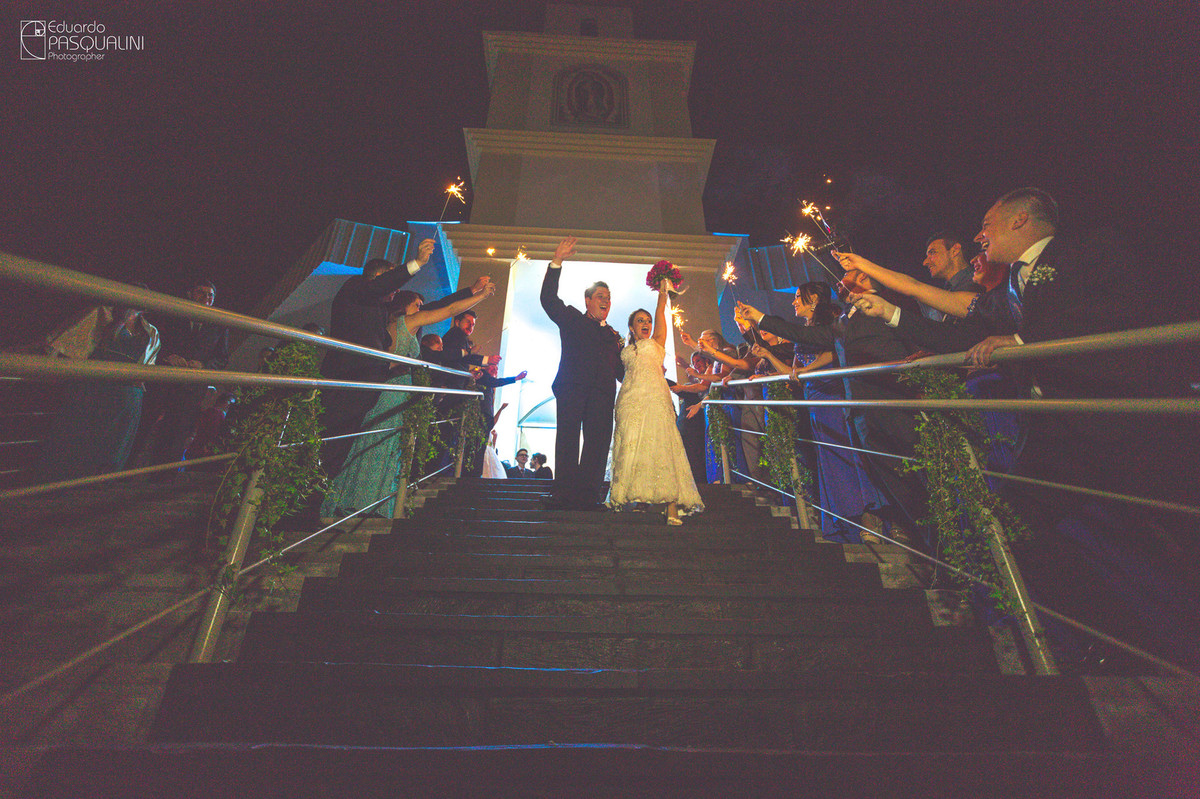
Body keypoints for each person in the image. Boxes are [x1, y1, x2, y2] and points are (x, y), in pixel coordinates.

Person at [321, 282, 495, 518]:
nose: (421, 308)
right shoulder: (407, 323)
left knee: (374, 442)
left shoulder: (390, 324)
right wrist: (482, 295)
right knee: (385, 443)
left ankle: (357, 499)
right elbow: (449, 310)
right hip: (394, 392)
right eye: (417, 305)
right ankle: (370, 502)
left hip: (388, 389)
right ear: (405, 308)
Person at [319, 239, 435, 477]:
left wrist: (471, 293)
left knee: (338, 455)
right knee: (325, 447)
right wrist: (417, 263)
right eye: (390, 282)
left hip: (365, 390)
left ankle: (316, 501)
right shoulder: (356, 287)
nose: (396, 290)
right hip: (345, 383)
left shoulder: (381, 309)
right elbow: (379, 288)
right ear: (378, 278)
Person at [539, 236, 625, 510]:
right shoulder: (572, 318)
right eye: (600, 296)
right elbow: (548, 299)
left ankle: (589, 495)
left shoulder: (614, 336)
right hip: (572, 388)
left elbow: (622, 371)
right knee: (567, 437)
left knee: (598, 442)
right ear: (588, 300)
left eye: (608, 298)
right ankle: (563, 494)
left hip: (602, 393)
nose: (606, 301)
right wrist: (557, 261)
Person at [608, 279, 704, 524]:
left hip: (655, 398)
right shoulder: (625, 350)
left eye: (647, 320)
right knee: (632, 445)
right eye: (640, 321)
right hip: (629, 400)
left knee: (661, 444)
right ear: (631, 326)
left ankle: (671, 506)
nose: (646, 324)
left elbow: (661, 311)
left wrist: (662, 292)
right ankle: (637, 499)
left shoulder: (657, 342)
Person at [37, 300, 160, 482]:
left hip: (125, 390)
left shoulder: (150, 330)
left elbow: (147, 364)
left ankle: (99, 479)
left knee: (113, 440)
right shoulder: (103, 314)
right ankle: (63, 478)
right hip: (94, 385)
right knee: (80, 433)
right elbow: (69, 342)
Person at [137, 279, 229, 475]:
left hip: (192, 387)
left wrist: (204, 366)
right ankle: (127, 471)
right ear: (190, 294)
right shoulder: (173, 314)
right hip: (164, 381)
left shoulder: (220, 324)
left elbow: (222, 357)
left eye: (210, 295)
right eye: (201, 293)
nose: (206, 298)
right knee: (145, 424)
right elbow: (156, 340)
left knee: (178, 432)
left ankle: (162, 477)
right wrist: (167, 356)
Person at [669, 351, 710, 484]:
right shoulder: (700, 378)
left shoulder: (710, 373)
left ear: (706, 360)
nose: (696, 364)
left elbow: (702, 387)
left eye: (698, 361)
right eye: (694, 362)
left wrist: (680, 388)